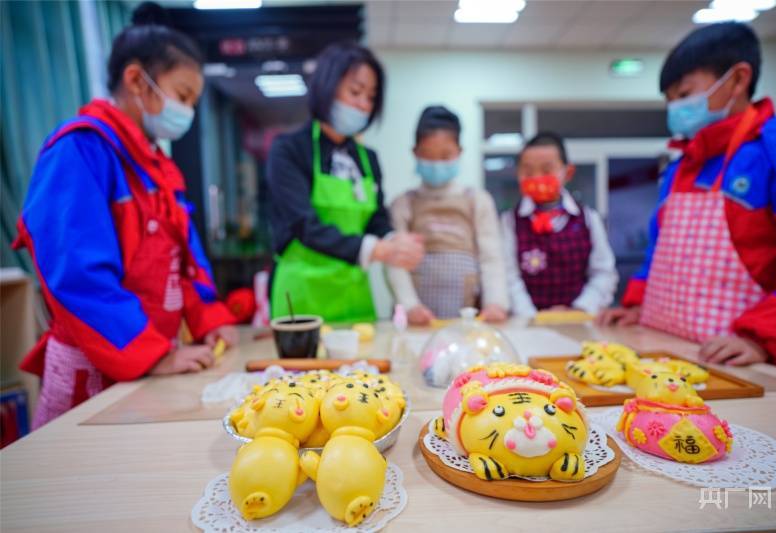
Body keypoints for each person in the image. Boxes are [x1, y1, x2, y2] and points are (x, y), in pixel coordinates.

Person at [13, 3, 238, 428]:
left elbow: (186, 261)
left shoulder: (159, 170)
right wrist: (155, 353)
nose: (187, 111)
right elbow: (77, 275)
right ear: (137, 80)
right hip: (96, 366)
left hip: (153, 363)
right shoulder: (80, 150)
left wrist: (210, 320)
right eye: (183, 96)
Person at [597, 22, 776, 371]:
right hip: (665, 350)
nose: (676, 108)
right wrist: (635, 305)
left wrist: (762, 338)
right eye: (671, 100)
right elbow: (659, 252)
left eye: (685, 94)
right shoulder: (682, 165)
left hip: (741, 365)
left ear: (738, 80)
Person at [265, 42, 423, 323]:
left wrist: (394, 240)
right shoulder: (289, 150)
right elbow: (303, 225)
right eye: (355, 92)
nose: (363, 105)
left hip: (354, 295)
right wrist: (376, 249)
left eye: (371, 97)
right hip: (303, 298)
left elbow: (375, 218)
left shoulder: (367, 158)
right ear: (327, 86)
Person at [387, 106, 508, 325]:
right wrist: (410, 306)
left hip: (470, 316)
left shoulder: (477, 200)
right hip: (419, 319)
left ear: (459, 152)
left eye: (445, 155)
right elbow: (395, 262)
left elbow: (491, 258)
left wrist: (495, 303)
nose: (436, 163)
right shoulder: (403, 203)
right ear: (415, 152)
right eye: (428, 155)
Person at [501, 132, 617, 317]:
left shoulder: (588, 218)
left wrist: (579, 309)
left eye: (547, 170)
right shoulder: (510, 222)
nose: (537, 178)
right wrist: (532, 316)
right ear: (518, 174)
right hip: (527, 324)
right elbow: (509, 276)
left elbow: (604, 272)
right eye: (528, 171)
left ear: (568, 172)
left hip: (579, 321)